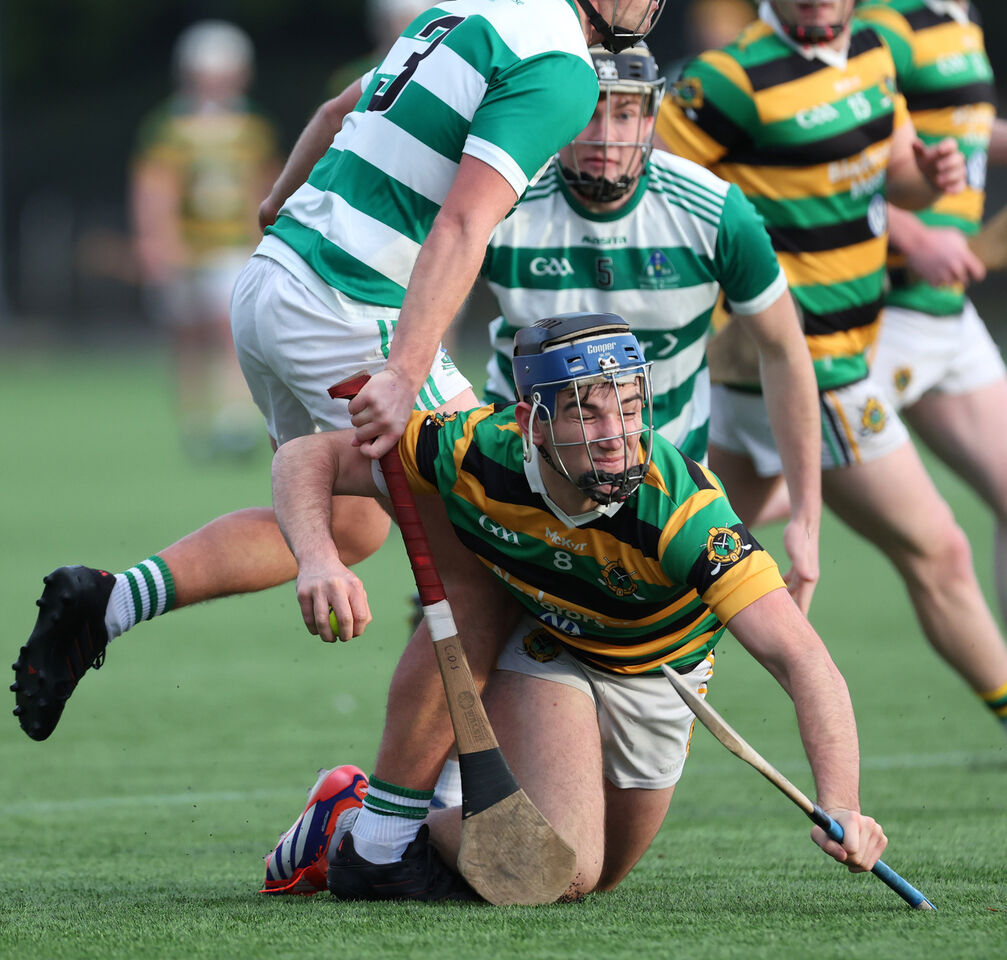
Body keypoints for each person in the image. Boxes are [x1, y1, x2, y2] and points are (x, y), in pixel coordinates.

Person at [11, 0, 682, 743]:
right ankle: (396, 819)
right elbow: (459, 228)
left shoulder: (466, 14)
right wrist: (405, 370)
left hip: (272, 283)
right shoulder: (560, 69)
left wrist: (272, 203)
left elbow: (334, 110)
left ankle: (105, 604)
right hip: (346, 305)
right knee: (485, 543)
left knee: (353, 523)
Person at [261, 312, 888, 902]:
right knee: (562, 864)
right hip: (550, 651)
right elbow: (306, 456)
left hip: (662, 675)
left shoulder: (683, 513)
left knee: (602, 876)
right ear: (533, 422)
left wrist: (844, 803)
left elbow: (800, 657)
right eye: (585, 413)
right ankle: (362, 833)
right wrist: (319, 558)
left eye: (631, 408)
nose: (616, 436)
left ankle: (381, 829)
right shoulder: (475, 452)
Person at [656, 0, 1007, 733]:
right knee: (941, 551)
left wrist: (930, 181)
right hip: (809, 365)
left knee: (681, 563)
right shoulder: (727, 82)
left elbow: (887, 161)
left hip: (785, 367)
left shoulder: (868, 59)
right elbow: (649, 191)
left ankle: (611, 688)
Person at [481, 42, 822, 609]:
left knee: (649, 681)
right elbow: (420, 312)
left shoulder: (714, 211)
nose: (606, 136)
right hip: (520, 478)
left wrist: (807, 522)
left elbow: (785, 352)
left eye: (624, 111)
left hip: (665, 491)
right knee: (477, 656)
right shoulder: (502, 200)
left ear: (651, 114)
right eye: (589, 110)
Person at [858, 0, 1007, 637]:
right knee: (757, 495)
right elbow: (833, 162)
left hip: (946, 318)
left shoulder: (956, 16)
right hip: (881, 313)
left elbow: (959, 127)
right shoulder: (882, 29)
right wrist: (911, 231)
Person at [130, 20, 281, 457]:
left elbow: (266, 184)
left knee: (229, 328)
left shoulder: (253, 127)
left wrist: (265, 239)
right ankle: (194, 421)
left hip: (234, 244)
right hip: (185, 246)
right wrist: (155, 240)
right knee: (188, 334)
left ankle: (231, 418)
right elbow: (155, 186)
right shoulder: (169, 127)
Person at [328, 0, 453, 95]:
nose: (416, 30)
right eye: (405, 19)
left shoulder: (453, 74)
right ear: (383, 23)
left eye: (425, 21)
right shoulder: (353, 77)